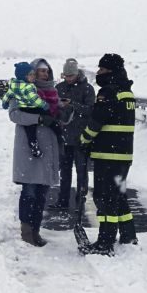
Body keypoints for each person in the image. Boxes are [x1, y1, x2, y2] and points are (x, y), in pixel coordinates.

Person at [79, 53, 136, 256]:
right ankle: (129, 234)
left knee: (104, 198)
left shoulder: (108, 92)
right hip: (123, 156)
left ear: (110, 71)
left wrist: (84, 140)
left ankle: (105, 242)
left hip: (108, 155)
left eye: (102, 70)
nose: (99, 73)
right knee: (118, 196)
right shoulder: (126, 92)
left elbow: (97, 121)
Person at [7, 58, 62, 247]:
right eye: (41, 71)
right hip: (29, 149)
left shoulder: (53, 92)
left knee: (42, 193)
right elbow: (14, 114)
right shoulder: (22, 89)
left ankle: (36, 229)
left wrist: (64, 113)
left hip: (48, 149)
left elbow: (56, 115)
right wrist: (39, 118)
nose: (44, 74)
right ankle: (27, 232)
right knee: (30, 191)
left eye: (47, 71)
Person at [54, 58, 96, 209]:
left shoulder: (87, 89)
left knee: (82, 172)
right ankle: (62, 200)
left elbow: (91, 111)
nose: (68, 79)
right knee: (64, 173)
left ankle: (81, 201)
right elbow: (53, 109)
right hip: (64, 137)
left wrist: (72, 104)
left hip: (81, 138)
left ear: (77, 74)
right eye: (66, 76)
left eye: (70, 76)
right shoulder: (59, 88)